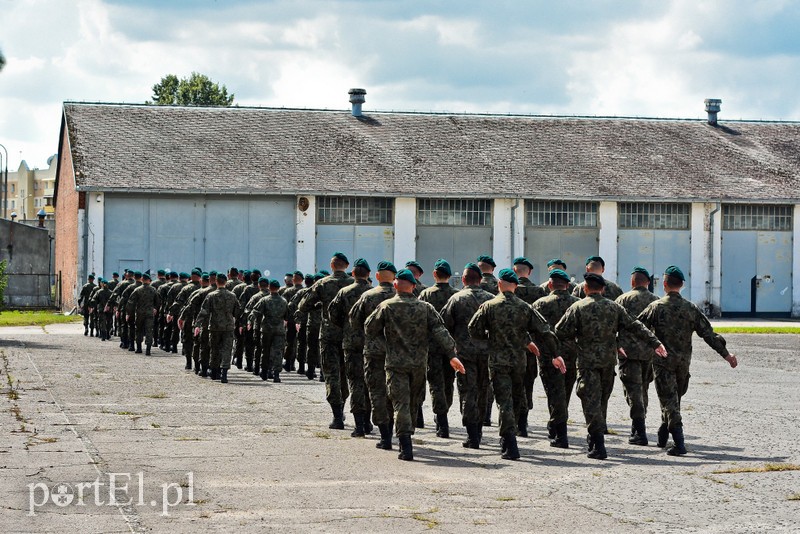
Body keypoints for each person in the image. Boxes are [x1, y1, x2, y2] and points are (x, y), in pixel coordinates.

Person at [555, 273, 666, 460]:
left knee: (591, 402)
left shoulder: (577, 307)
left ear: (585, 288)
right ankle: (598, 438)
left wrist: (577, 343)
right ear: (603, 289)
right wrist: (655, 342)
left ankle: (597, 444)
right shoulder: (614, 307)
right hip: (608, 364)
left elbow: (560, 331)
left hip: (587, 363)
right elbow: (635, 326)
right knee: (600, 400)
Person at [365, 268, 464, 461]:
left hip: (395, 363)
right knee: (412, 402)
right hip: (419, 363)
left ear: (395, 285)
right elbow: (440, 330)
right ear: (413, 286)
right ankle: (406, 438)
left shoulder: (386, 307)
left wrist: (387, 343)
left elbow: (370, 328)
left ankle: (405, 446)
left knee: (399, 402)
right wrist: (452, 354)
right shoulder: (425, 308)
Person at [637, 265, 738, 456]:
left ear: (664, 284)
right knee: (673, 399)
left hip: (663, 362)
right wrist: (726, 355)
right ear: (682, 285)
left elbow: (637, 328)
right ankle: (664, 430)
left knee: (669, 400)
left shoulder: (656, 307)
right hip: (683, 363)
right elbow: (709, 335)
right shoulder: (691, 308)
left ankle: (680, 444)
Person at [468, 268, 563, 460]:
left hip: (498, 361)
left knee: (504, 402)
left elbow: (473, 329)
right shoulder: (525, 307)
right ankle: (513, 436)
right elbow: (545, 331)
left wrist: (489, 338)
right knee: (515, 400)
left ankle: (509, 443)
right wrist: (555, 354)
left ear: (499, 284)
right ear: (515, 287)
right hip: (519, 362)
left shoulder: (489, 306)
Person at [440, 263, 494, 449]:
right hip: (486, 354)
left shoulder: (456, 299)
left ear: (463, 280)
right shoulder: (491, 300)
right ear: (480, 280)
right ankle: (478, 430)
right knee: (483, 390)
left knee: (468, 392)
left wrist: (449, 350)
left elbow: (444, 325)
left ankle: (473, 436)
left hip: (464, 354)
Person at [299, 252, 354, 429]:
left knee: (332, 374)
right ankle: (344, 406)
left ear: (332, 266)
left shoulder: (322, 284)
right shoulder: (355, 284)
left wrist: (320, 304)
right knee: (347, 374)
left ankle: (337, 416)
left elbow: (303, 305)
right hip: (350, 336)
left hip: (329, 335)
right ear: (346, 266)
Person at [349, 261, 397, 449]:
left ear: (376, 276)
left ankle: (385, 436)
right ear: (394, 277)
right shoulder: (402, 295)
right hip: (398, 353)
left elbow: (354, 321)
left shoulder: (367, 296)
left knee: (376, 392)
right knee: (396, 393)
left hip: (374, 352)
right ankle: (397, 431)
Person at [531, 268, 580, 447]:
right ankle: (556, 425)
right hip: (571, 355)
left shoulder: (539, 304)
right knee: (564, 393)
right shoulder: (578, 304)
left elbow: (532, 330)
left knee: (553, 393)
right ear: (567, 285)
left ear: (550, 284)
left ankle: (559, 431)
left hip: (547, 356)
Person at [615, 266, 660, 446]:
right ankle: (639, 425)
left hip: (628, 353)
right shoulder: (656, 301)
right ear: (647, 283)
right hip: (649, 353)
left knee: (633, 391)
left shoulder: (622, 300)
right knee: (643, 389)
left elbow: (614, 325)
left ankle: (639, 429)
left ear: (632, 282)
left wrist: (617, 345)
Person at [328, 259, 373, 437]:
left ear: (352, 274)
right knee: (371, 383)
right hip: (371, 344)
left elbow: (333, 315)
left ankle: (359, 426)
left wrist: (348, 327)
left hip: (351, 343)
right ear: (368, 274)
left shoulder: (344, 292)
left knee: (355, 383)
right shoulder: (372, 293)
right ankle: (369, 421)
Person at [418, 259, 459, 438]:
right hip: (450, 348)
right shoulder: (456, 295)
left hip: (432, 347)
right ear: (449, 276)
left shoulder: (425, 295)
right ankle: (443, 414)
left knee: (435, 384)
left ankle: (441, 419)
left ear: (435, 274)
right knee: (448, 382)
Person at [511, 256, 547, 437]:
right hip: (532, 347)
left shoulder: (508, 291)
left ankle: (513, 421)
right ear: (529, 272)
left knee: (510, 385)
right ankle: (523, 422)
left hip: (510, 346)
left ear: (514, 270)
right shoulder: (539, 292)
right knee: (527, 384)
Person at [193, 273, 240, 383]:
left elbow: (204, 311)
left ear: (216, 282)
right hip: (228, 327)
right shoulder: (232, 296)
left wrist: (197, 325)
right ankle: (224, 373)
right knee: (227, 350)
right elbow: (237, 311)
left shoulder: (211, 295)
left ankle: (214, 373)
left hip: (214, 327)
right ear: (226, 282)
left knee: (214, 349)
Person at [249, 279, 289, 383]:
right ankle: (276, 375)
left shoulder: (265, 300)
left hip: (267, 329)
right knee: (278, 352)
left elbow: (255, 311)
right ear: (278, 288)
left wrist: (250, 321)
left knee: (265, 350)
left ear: (269, 288)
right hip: (279, 330)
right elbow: (287, 316)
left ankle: (264, 372)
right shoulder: (284, 301)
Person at [179, 273, 210, 370]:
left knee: (190, 342)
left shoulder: (193, 291)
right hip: (209, 322)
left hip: (193, 319)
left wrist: (182, 317)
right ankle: (206, 366)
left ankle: (190, 363)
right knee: (206, 344)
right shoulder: (212, 292)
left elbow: (187, 305)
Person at [126, 272, 161, 355]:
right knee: (149, 330)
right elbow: (158, 301)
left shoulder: (137, 290)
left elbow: (131, 302)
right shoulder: (153, 289)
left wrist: (129, 313)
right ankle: (148, 350)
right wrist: (155, 308)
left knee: (139, 330)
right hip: (149, 313)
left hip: (139, 313)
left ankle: (139, 348)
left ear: (142, 279)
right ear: (149, 280)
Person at [281, 271, 304, 372]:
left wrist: (284, 318)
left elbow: (284, 306)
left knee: (290, 342)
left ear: (293, 280)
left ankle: (289, 364)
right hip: (303, 320)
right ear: (302, 280)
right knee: (302, 343)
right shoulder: (306, 291)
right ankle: (302, 366)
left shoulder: (287, 291)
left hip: (290, 320)